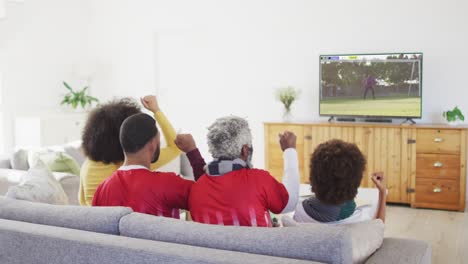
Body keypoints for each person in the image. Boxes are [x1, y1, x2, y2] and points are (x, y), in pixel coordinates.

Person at [187, 116, 300, 227]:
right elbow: (290, 202)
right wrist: (290, 151)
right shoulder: (259, 180)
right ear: (245, 150)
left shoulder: (197, 188)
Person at [79, 96, 181, 206]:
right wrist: (156, 110)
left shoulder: (87, 166)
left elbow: (83, 202)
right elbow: (176, 147)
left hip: (95, 221)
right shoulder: (134, 162)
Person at [92, 113, 194, 218]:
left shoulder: (101, 189)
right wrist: (193, 152)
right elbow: (208, 194)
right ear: (153, 144)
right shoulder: (168, 183)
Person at [293, 139, 387, 223]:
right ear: (356, 183)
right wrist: (382, 193)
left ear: (313, 178)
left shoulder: (298, 213)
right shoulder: (360, 220)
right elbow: (378, 227)